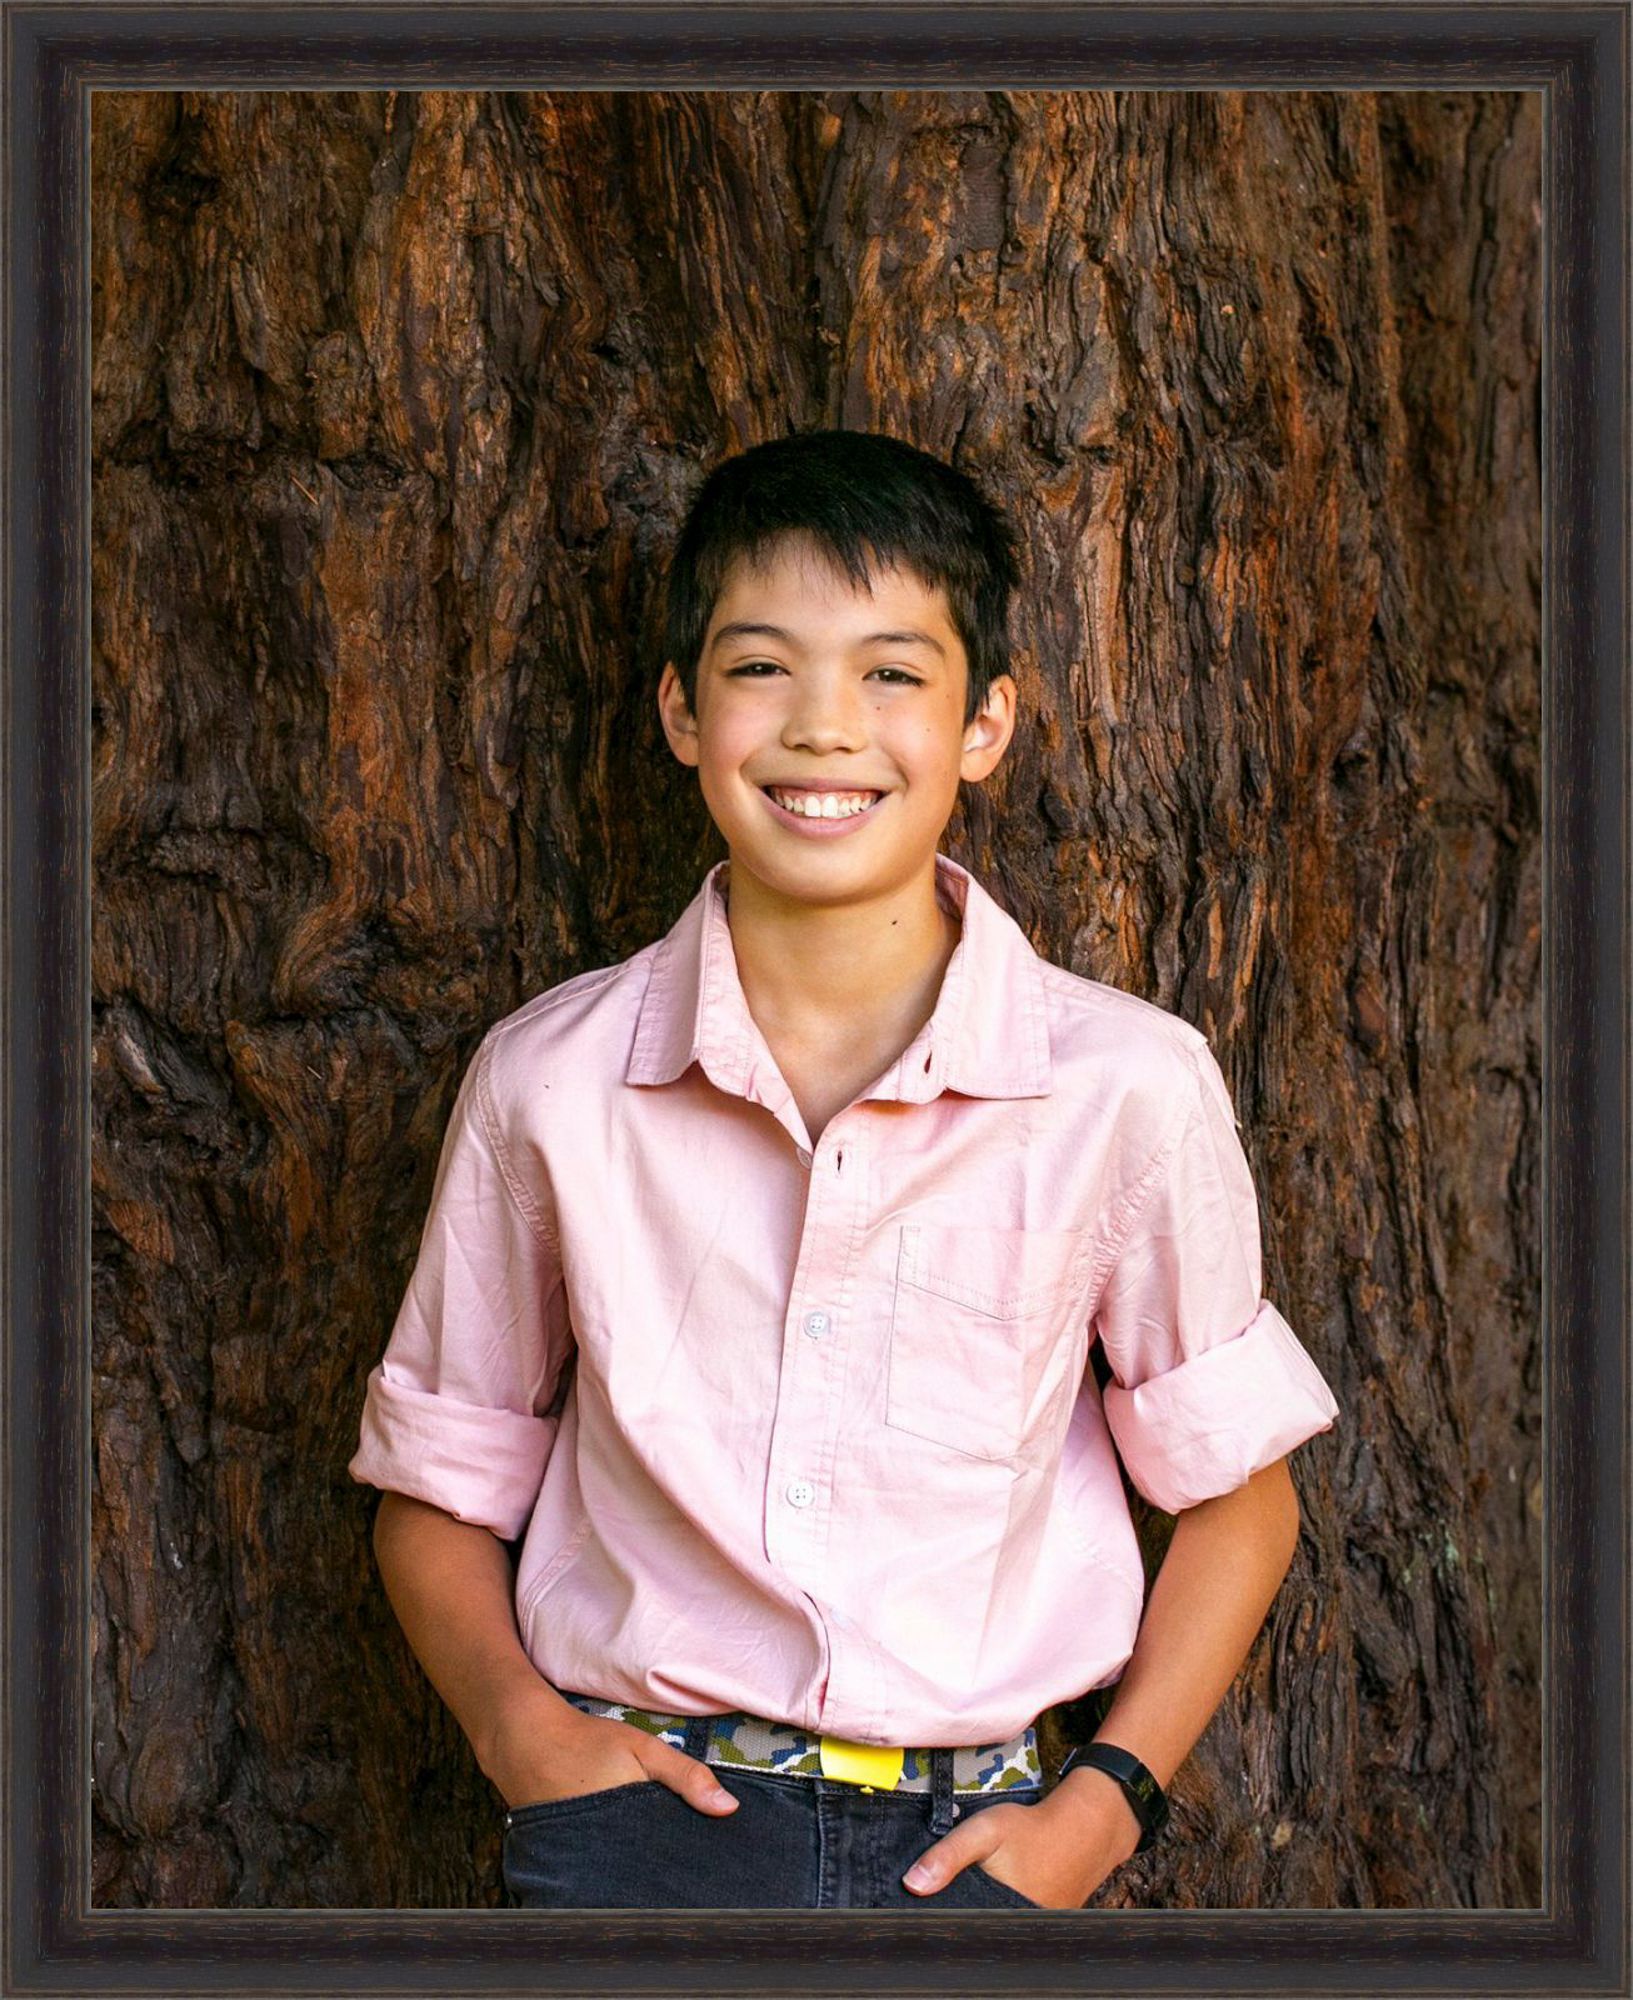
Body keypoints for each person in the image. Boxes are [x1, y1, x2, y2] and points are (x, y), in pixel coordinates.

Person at [347, 428, 1341, 1911]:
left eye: (891, 674)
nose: (825, 727)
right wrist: (520, 1737)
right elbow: (437, 1477)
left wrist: (1102, 1810)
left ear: (983, 723)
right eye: (761, 668)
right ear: (682, 710)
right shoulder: (551, 1082)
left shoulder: (1121, 1087)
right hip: (637, 1830)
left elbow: (1237, 1498)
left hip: (981, 1851)